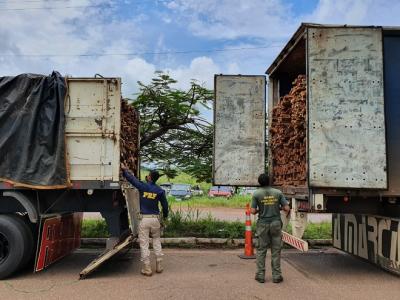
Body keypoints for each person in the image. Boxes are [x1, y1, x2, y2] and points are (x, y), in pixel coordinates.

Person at [122, 168, 169, 276]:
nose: (147, 176)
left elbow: (132, 179)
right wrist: (164, 218)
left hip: (145, 219)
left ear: (150, 177)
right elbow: (165, 207)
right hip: (155, 219)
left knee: (144, 243)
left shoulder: (143, 186)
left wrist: (125, 170)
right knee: (156, 240)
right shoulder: (160, 191)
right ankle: (159, 265)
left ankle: (147, 268)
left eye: (148, 175)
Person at [250, 173, 290, 284]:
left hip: (262, 224)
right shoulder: (278, 193)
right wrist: (278, 207)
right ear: (269, 181)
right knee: (276, 250)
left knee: (261, 250)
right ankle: (277, 276)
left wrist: (260, 210)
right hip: (276, 224)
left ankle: (260, 276)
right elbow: (287, 208)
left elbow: (252, 211)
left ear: (259, 182)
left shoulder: (256, 194)